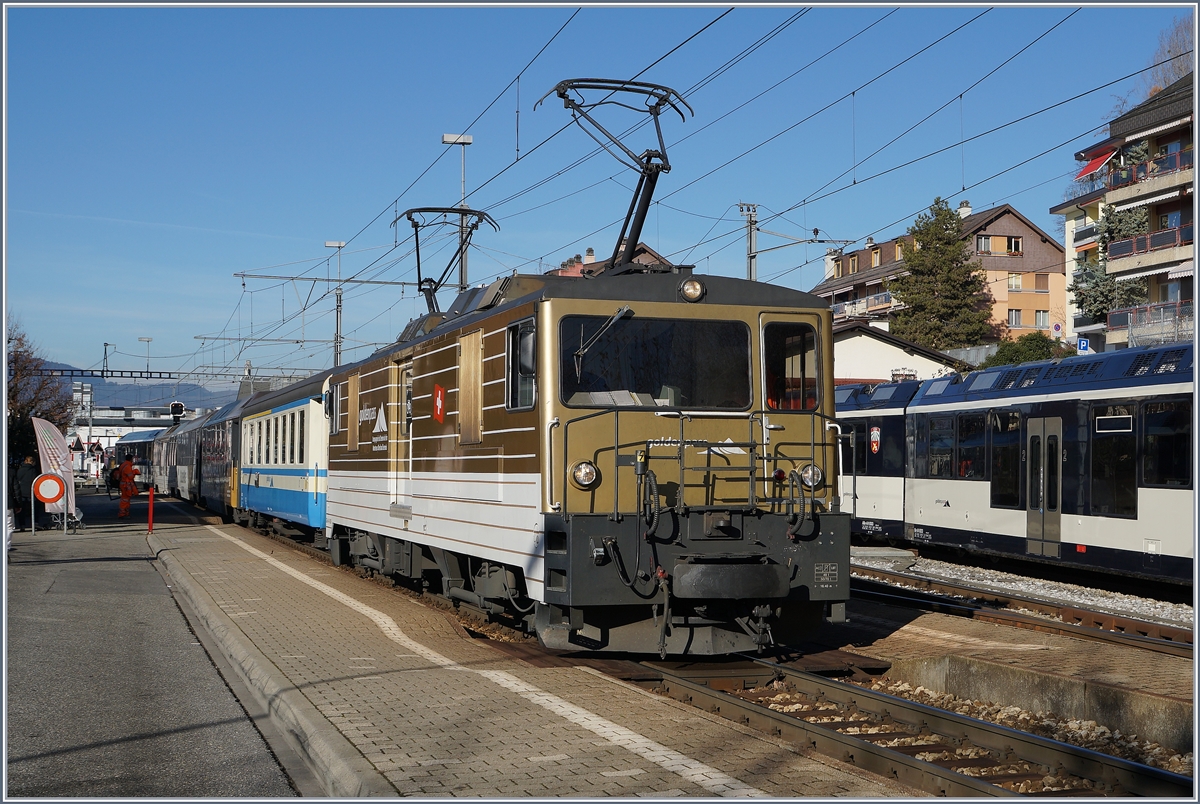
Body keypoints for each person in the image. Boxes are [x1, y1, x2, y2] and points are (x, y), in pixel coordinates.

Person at [13, 456, 38, 531]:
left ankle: (22, 525)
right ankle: (35, 523)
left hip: (22, 492)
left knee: (21, 510)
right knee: (34, 508)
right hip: (31, 491)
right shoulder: (33, 470)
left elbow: (17, 479)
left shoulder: (20, 470)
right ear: (32, 462)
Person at [117, 453, 140, 519]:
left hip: (123, 484)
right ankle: (122, 513)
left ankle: (125, 513)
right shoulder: (127, 466)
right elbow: (130, 477)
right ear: (131, 459)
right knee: (125, 500)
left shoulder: (123, 465)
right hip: (126, 485)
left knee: (126, 499)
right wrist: (134, 472)